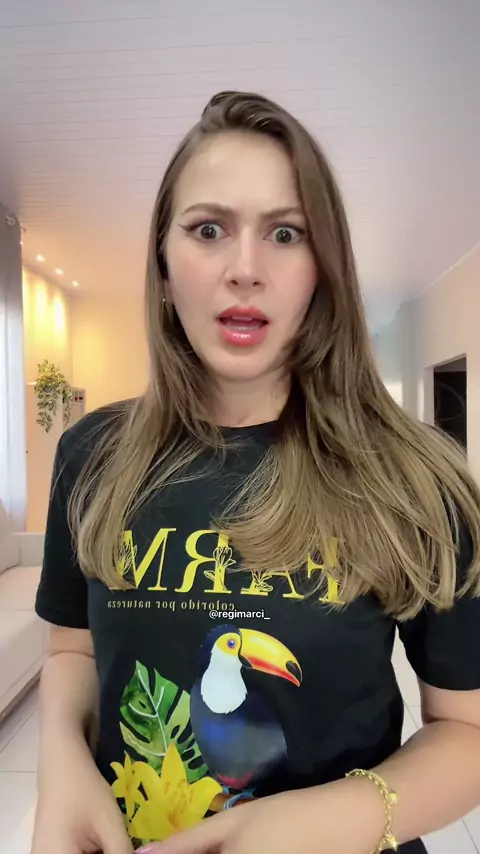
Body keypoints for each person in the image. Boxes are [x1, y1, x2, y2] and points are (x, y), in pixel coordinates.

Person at [32, 90, 480, 854]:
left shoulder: (417, 478)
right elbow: (72, 650)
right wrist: (62, 768)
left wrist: (305, 824)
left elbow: (467, 733)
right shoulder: (92, 454)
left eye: (285, 233)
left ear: (322, 268)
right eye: (208, 229)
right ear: (163, 267)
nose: (245, 269)